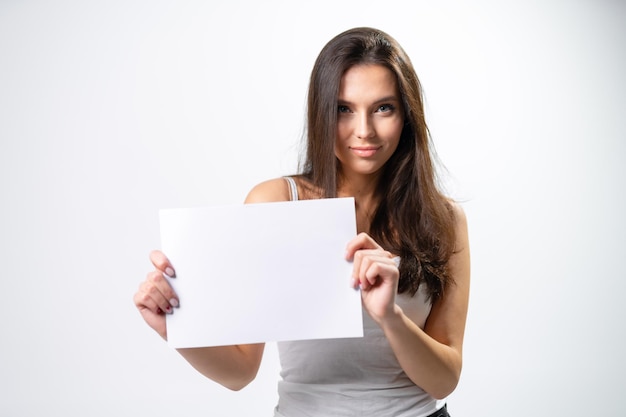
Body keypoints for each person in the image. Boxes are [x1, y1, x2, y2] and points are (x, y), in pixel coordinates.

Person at [134, 27, 470, 417]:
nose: (364, 130)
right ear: (320, 112)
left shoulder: (443, 219)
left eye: (383, 108)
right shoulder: (275, 203)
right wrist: (173, 327)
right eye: (344, 109)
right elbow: (241, 370)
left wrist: (389, 317)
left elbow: (444, 380)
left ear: (406, 115)